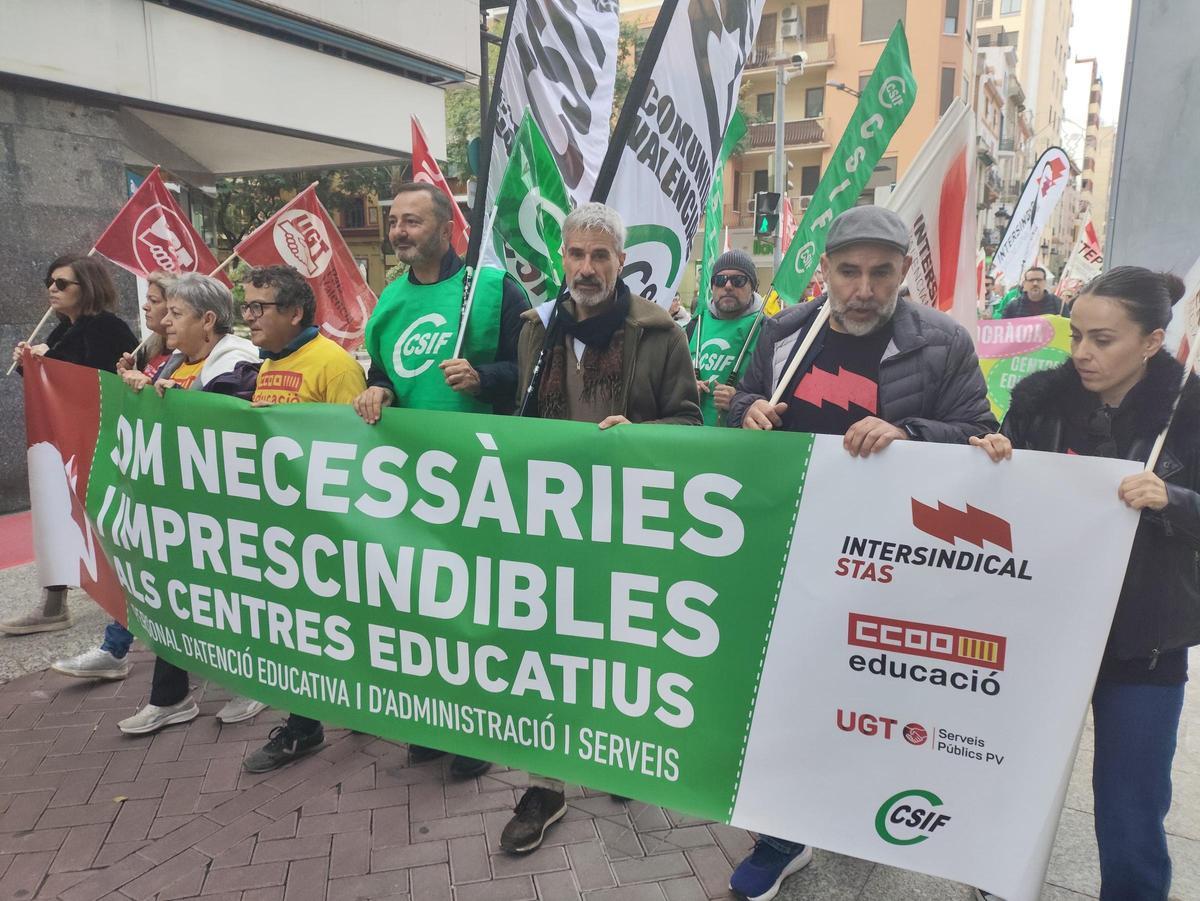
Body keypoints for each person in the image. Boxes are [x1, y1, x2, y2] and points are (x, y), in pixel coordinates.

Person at [726, 205, 996, 901]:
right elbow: (742, 400)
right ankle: (783, 839)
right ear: (826, 270)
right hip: (794, 552)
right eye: (849, 271)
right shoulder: (784, 330)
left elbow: (981, 434)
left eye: (881, 272)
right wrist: (747, 409)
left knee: (882, 702)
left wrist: (909, 431)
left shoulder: (943, 343)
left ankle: (905, 820)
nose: (864, 287)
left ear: (905, 272)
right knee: (784, 697)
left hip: (896, 563)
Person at [971, 267, 1198, 901]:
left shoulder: (1192, 411)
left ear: (1152, 342)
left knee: (1130, 809)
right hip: (1041, 629)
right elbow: (1002, 498)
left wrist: (1173, 499)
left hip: (1144, 641)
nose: (1082, 355)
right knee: (1012, 777)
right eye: (1077, 337)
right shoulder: (1041, 398)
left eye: (1103, 340)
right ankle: (999, 878)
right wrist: (992, 458)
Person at [501, 202, 701, 854]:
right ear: (563, 257)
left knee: (622, 647)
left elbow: (691, 427)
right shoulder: (538, 327)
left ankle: (619, 754)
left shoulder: (659, 334)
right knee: (545, 650)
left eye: (600, 256)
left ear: (621, 261)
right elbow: (522, 418)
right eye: (576, 255)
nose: (586, 268)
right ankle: (546, 784)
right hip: (551, 523)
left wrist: (638, 438)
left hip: (629, 525)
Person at [354, 181, 529, 778]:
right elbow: (383, 368)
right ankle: (434, 717)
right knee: (424, 605)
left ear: (446, 228)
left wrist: (485, 376)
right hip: (412, 481)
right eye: (395, 221)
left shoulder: (493, 287)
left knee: (476, 608)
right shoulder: (390, 299)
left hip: (483, 479)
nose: (400, 231)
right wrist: (376, 386)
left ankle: (480, 729)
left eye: (413, 221)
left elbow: (532, 368)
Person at [234, 265, 367, 771]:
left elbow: (357, 454)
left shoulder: (333, 366)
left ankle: (314, 723)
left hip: (328, 530)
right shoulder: (269, 363)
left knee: (337, 628)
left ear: (294, 312)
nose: (249, 318)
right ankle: (307, 723)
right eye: (246, 307)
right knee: (298, 631)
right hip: (285, 530)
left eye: (258, 307)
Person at [116, 274, 260, 735]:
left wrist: (169, 401)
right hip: (179, 508)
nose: (164, 320)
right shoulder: (173, 360)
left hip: (225, 509)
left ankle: (255, 682)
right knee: (176, 597)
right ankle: (170, 697)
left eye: (176, 313)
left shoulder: (238, 361)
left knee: (234, 597)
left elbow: (230, 414)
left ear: (209, 320)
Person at [2, 254, 138, 636]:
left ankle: (130, 596)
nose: (52, 289)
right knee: (57, 511)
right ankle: (54, 601)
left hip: (100, 442)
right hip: (65, 442)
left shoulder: (106, 328)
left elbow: (95, 382)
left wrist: (49, 363)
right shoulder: (62, 329)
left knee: (104, 519)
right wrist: (34, 365)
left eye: (63, 284)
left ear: (87, 287)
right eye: (50, 281)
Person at [51, 271, 176, 679]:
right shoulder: (154, 350)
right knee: (137, 566)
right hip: (145, 476)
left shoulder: (208, 356)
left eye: (159, 302)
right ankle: (116, 647)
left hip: (176, 484)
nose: (148, 307)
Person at [687, 249, 764, 426]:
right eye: (720, 280)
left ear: (752, 286)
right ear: (712, 287)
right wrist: (685, 388)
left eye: (738, 280)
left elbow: (775, 395)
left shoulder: (767, 329)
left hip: (738, 444)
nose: (728, 286)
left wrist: (740, 402)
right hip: (689, 438)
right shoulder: (693, 326)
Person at [1001, 266, 1065, 318]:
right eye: (1031, 280)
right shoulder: (1013, 306)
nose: (1035, 283)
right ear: (1025, 283)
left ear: (1045, 282)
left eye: (1039, 280)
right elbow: (1004, 328)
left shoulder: (1058, 304)